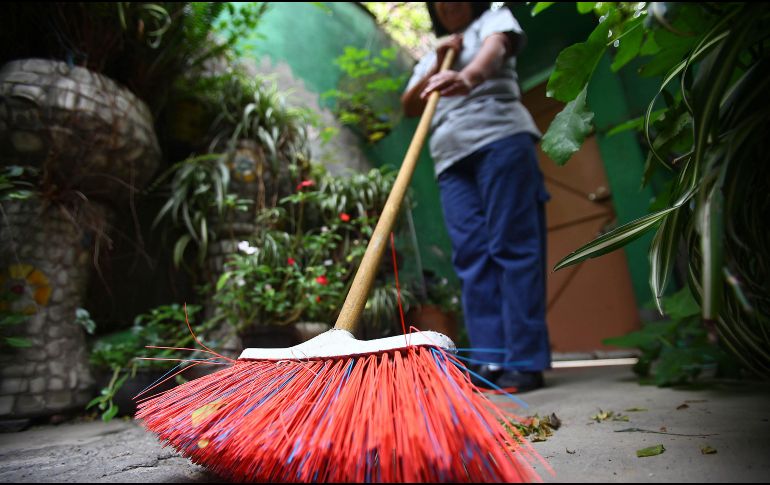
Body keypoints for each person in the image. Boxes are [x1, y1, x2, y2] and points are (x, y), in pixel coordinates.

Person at [401, 2, 551, 391]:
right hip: (450, 161)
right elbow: (409, 105)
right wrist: (437, 64)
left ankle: (524, 360)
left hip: (499, 139)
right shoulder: (433, 55)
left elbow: (496, 48)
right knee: (471, 257)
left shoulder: (492, 20)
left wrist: (467, 76)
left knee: (512, 247)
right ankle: (488, 360)